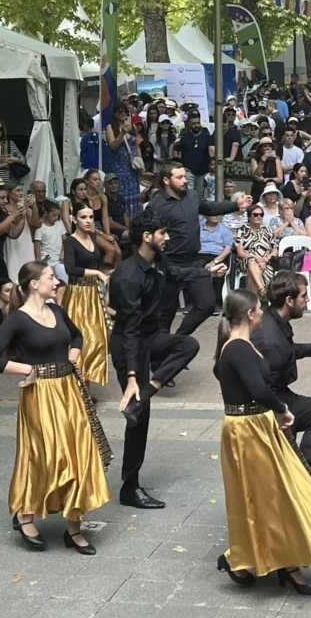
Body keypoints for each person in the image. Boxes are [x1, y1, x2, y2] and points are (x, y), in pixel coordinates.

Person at [213, 289, 311, 594]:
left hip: (255, 426)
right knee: (263, 495)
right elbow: (259, 389)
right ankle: (248, 559)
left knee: (273, 494)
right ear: (249, 314)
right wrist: (283, 410)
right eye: (259, 309)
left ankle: (282, 563)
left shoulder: (240, 346)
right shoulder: (237, 348)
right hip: (248, 431)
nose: (262, 312)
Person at [0, 262, 112, 554]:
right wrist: (25, 368)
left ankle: (74, 527)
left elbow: (77, 336)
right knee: (46, 456)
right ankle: (25, 514)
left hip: (69, 391)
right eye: (51, 277)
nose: (56, 282)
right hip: (40, 396)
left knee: (79, 455)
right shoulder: (17, 319)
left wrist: (73, 356)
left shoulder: (56, 310)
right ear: (33, 284)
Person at [110, 210, 201, 509]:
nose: (168, 237)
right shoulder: (127, 277)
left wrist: (207, 272)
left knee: (188, 345)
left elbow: (175, 273)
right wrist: (133, 377)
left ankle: (143, 396)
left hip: (152, 337)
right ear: (147, 237)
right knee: (140, 418)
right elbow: (132, 331)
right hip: (128, 343)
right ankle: (130, 487)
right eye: (163, 233)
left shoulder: (158, 262)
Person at [250, 272, 311, 493]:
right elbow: (262, 382)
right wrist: (281, 411)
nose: (307, 300)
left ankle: (302, 473)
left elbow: (288, 350)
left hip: (275, 393)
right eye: (304, 296)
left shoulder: (272, 318)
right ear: (289, 301)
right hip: (268, 402)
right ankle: (301, 476)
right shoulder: (271, 339)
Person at [148, 161, 243, 336]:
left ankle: (178, 339)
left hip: (194, 261)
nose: (185, 180)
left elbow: (211, 207)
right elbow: (151, 236)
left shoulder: (192, 196)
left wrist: (236, 205)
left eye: (185, 176)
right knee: (164, 314)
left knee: (206, 305)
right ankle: (162, 353)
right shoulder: (157, 205)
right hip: (169, 263)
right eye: (179, 177)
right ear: (166, 180)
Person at [61, 206, 110, 384]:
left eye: (91, 217)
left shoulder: (93, 237)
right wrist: (96, 273)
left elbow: (110, 250)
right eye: (84, 217)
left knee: (98, 338)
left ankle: (87, 380)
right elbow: (70, 269)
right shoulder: (70, 242)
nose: (88, 220)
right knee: (81, 338)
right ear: (75, 219)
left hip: (93, 294)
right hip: (78, 294)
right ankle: (78, 385)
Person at [104, 104, 143, 217]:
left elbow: (137, 147)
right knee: (121, 194)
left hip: (132, 168)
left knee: (134, 194)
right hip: (118, 167)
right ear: (115, 114)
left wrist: (141, 165)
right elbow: (112, 146)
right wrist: (121, 134)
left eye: (125, 112)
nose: (122, 114)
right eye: (119, 112)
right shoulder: (110, 127)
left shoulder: (133, 127)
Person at [236, 204, 278, 296]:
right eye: (255, 215)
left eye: (261, 215)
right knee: (251, 262)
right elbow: (240, 252)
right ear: (249, 217)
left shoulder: (268, 229)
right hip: (246, 260)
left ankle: (254, 302)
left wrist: (267, 259)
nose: (259, 217)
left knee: (252, 270)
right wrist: (256, 258)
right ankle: (261, 288)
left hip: (266, 261)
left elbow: (275, 250)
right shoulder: (242, 230)